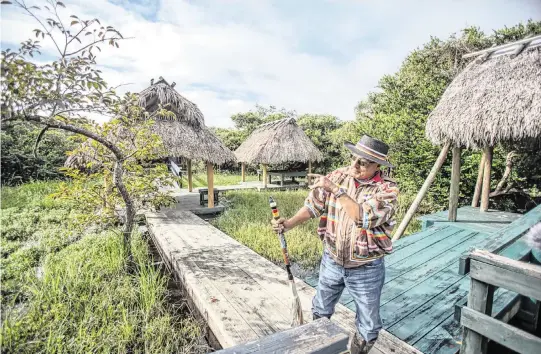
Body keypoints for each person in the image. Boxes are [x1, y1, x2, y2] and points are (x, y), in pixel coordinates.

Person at [272, 135, 399, 354]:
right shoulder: (338, 176)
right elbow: (313, 206)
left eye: (363, 162)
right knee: (321, 309)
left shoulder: (387, 190)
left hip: (366, 267)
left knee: (369, 327)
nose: (354, 165)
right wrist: (289, 223)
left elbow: (362, 218)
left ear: (378, 166)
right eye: (354, 158)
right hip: (331, 259)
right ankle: (321, 348)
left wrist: (337, 190)